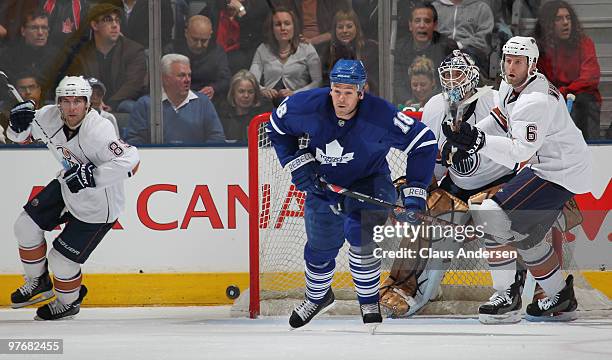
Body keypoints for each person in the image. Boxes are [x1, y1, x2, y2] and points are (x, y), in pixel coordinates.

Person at [267, 59, 437, 331]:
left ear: (361, 91)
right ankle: (318, 297)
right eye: (336, 90)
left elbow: (424, 143)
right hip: (323, 186)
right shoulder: (306, 106)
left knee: (360, 239)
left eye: (348, 91)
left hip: (369, 184)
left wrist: (415, 195)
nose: (341, 98)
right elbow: (276, 127)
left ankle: (368, 300)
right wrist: (298, 162)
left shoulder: (381, 115)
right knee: (319, 249)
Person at [442, 36, 592, 322]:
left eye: (518, 62)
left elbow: (517, 153)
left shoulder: (536, 101)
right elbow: (500, 119)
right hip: (552, 166)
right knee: (526, 237)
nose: (511, 67)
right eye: (508, 60)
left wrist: (476, 141)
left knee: (489, 214)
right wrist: (466, 140)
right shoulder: (509, 87)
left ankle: (507, 295)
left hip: (559, 171)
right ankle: (560, 296)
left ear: (531, 65)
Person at [380, 50, 518, 322]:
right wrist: (416, 197)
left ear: (473, 77)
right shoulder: (433, 107)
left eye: (459, 74)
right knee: (426, 213)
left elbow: (519, 150)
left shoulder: (494, 100)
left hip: (501, 183)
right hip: (459, 186)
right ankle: (404, 287)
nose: (453, 82)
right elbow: (432, 165)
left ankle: (517, 289)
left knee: (496, 214)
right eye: (447, 76)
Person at [5, 75, 140, 320]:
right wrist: (16, 125)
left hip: (99, 205)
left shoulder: (99, 130)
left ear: (87, 103)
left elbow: (132, 161)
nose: (71, 107)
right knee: (24, 226)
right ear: (58, 102)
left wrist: (93, 177)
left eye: (78, 101)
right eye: (66, 101)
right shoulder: (48, 116)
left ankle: (68, 302)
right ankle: (39, 282)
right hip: (67, 185)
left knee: (61, 261)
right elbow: (20, 137)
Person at [534, 0, 602, 140]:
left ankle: (590, 147)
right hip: (552, 97)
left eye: (568, 18)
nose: (565, 22)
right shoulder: (539, 49)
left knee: (584, 100)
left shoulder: (584, 43)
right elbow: (537, 80)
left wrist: (564, 91)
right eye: (559, 19)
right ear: (548, 24)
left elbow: (590, 78)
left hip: (581, 97)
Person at [125, 54, 226, 145]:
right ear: (165, 78)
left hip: (196, 162)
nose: (187, 80)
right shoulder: (146, 104)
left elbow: (217, 137)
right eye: (181, 75)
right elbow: (134, 141)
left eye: (189, 75)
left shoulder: (203, 102)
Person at [66, 3, 146, 113]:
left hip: (120, 103)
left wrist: (111, 104)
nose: (115, 25)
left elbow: (134, 84)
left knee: (129, 106)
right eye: (108, 20)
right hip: (90, 104)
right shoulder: (82, 53)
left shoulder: (133, 50)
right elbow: (77, 81)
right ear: (94, 25)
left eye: (117, 20)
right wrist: (96, 101)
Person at [249, 6, 322, 106]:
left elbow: (318, 82)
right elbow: (251, 79)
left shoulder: (307, 48)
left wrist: (295, 93)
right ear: (272, 28)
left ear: (294, 27)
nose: (283, 28)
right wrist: (263, 90)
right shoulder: (263, 49)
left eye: (287, 24)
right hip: (269, 105)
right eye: (278, 24)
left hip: (299, 103)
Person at [393, 2, 458, 104]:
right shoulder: (400, 48)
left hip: (440, 104)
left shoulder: (448, 47)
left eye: (427, 21)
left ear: (435, 25)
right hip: (408, 105)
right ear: (410, 25)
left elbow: (451, 82)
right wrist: (408, 101)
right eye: (417, 21)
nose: (422, 25)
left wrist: (430, 102)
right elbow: (397, 81)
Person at [164, 15, 231, 102]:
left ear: (210, 35)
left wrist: (213, 88)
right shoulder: (172, 50)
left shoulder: (217, 51)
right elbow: (162, 79)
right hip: (176, 99)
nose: (199, 45)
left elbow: (225, 79)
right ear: (186, 33)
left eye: (204, 41)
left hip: (208, 101)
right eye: (195, 40)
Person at [0, 10, 60, 100]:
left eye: (44, 28)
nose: (40, 33)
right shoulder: (7, 55)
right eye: (34, 28)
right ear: (23, 31)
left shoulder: (57, 55)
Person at [320, 9, 378, 94]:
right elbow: (325, 83)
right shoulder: (329, 50)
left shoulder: (370, 48)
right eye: (340, 27)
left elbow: (376, 80)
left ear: (357, 28)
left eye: (349, 26)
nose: (344, 30)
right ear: (334, 30)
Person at [432, 0, 494, 74]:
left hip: (470, 53)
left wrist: (458, 45)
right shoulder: (434, 7)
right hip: (439, 49)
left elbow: (483, 39)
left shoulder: (482, 8)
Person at [217, 69, 271, 143]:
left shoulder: (263, 118)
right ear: (233, 93)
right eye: (241, 91)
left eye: (250, 92)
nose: (246, 95)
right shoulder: (222, 116)